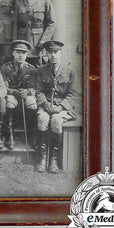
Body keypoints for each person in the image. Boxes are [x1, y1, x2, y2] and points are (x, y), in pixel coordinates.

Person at [32, 40, 78, 173]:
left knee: (56, 121)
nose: (53, 55)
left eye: (55, 52)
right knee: (42, 119)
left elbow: (74, 93)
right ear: (46, 53)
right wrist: (45, 104)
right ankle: (42, 159)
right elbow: (38, 90)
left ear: (60, 53)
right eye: (50, 52)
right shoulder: (41, 70)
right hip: (46, 105)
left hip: (62, 108)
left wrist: (62, 106)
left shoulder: (70, 70)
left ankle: (53, 160)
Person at [0, 40, 37, 150]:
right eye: (18, 52)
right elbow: (3, 87)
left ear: (27, 54)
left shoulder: (31, 69)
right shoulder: (6, 68)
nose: (21, 55)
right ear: (13, 53)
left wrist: (28, 92)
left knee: (32, 103)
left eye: (23, 53)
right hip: (12, 94)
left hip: (26, 95)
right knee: (10, 102)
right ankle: (9, 133)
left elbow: (36, 87)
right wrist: (12, 91)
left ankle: (31, 132)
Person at [15, 0, 56, 65]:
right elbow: (15, 24)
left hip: (38, 42)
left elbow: (52, 22)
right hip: (23, 41)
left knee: (39, 69)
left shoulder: (44, 0)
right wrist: (16, 42)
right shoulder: (19, 2)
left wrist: (44, 39)